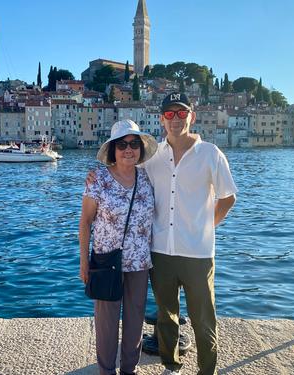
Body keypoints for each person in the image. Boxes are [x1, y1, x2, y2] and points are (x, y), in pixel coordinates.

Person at [87, 92, 237, 375]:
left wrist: (207, 226)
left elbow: (228, 198)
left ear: (191, 117)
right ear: (162, 120)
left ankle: (207, 371)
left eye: (181, 113)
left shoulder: (210, 154)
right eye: (170, 114)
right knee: (166, 316)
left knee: (204, 320)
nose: (176, 119)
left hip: (197, 252)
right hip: (160, 253)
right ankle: (172, 366)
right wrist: (98, 173)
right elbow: (124, 164)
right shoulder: (154, 156)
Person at [79, 119, 158, 375]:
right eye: (122, 144)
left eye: (134, 144)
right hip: (105, 261)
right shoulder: (98, 179)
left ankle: (129, 370)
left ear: (140, 149)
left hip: (139, 263)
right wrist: (84, 262)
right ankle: (106, 371)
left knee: (135, 321)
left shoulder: (147, 178)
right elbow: (85, 221)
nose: (128, 149)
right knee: (106, 323)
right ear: (113, 149)